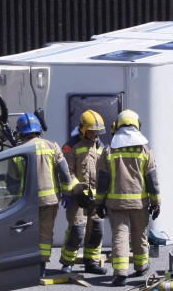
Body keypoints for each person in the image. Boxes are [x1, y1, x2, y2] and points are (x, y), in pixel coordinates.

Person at [95, 110, 160, 287]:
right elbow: (152, 180)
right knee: (140, 235)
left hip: (116, 203)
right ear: (137, 126)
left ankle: (120, 273)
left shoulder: (109, 150)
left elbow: (102, 181)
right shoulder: (145, 150)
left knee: (120, 236)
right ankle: (141, 266)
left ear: (116, 126)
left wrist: (99, 202)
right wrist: (156, 202)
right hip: (140, 203)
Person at [14, 112, 77, 276]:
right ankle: (41, 265)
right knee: (45, 232)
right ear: (38, 129)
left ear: (20, 131)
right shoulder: (51, 146)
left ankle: (25, 263)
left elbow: (11, 181)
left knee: (26, 232)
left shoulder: (16, 151)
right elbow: (64, 172)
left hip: (26, 202)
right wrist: (67, 192)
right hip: (49, 200)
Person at [59, 110, 106, 275]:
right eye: (92, 131)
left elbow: (104, 170)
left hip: (95, 197)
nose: (95, 135)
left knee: (96, 231)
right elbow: (67, 172)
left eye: (97, 132)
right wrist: (77, 190)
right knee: (77, 230)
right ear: (83, 129)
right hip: (78, 197)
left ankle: (91, 262)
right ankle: (67, 263)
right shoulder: (71, 146)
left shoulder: (99, 146)